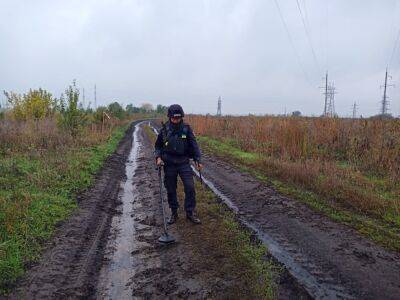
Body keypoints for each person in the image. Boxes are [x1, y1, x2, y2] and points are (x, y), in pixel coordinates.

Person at [155, 104, 203, 224]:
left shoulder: (186, 128)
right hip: (169, 163)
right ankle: (174, 213)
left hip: (183, 162)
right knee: (171, 189)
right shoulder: (164, 129)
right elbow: (158, 146)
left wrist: (198, 160)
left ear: (181, 117)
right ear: (170, 117)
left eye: (178, 118)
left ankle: (190, 212)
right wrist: (158, 158)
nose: (176, 120)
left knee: (190, 187)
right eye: (174, 118)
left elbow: (194, 145)